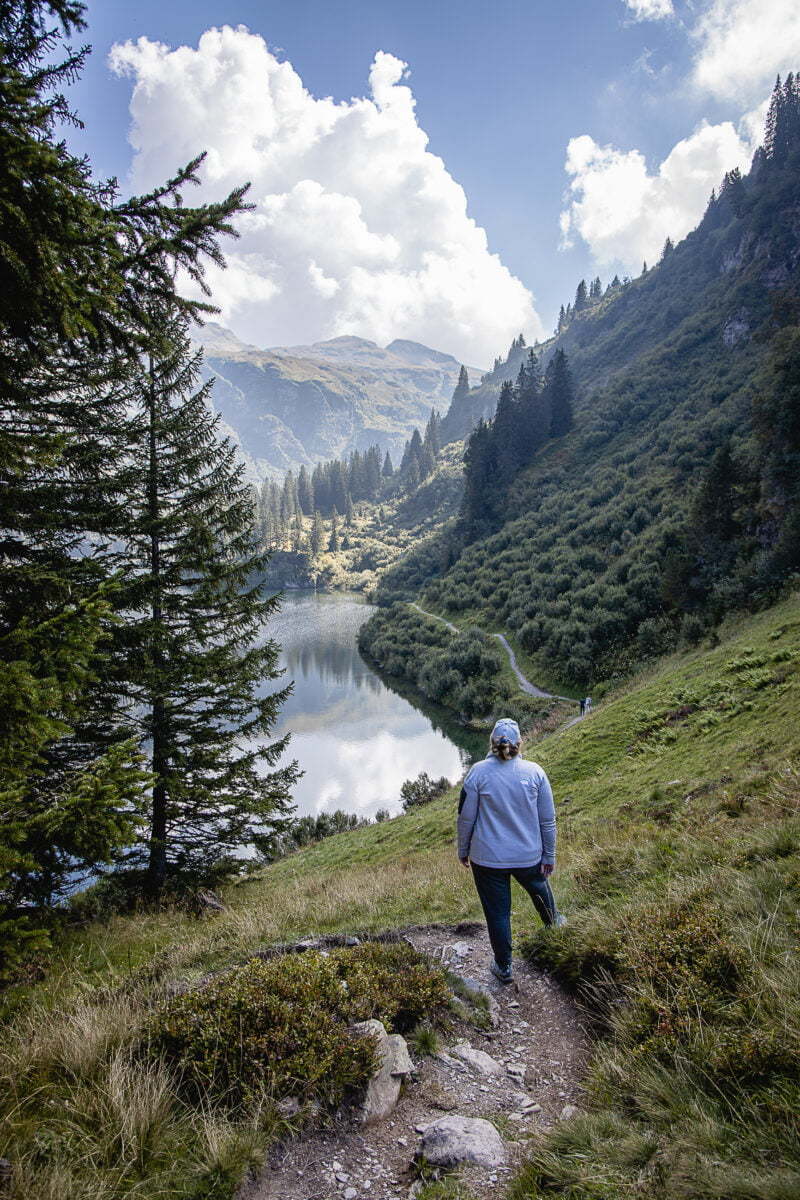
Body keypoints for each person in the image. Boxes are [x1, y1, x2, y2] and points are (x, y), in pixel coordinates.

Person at [457, 717, 564, 984]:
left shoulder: (478, 773)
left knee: (498, 913)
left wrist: (463, 849)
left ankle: (504, 966)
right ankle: (556, 928)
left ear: (491, 742)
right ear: (519, 743)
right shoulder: (535, 772)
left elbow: (465, 818)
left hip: (488, 858)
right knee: (540, 891)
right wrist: (549, 855)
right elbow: (547, 821)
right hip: (528, 854)